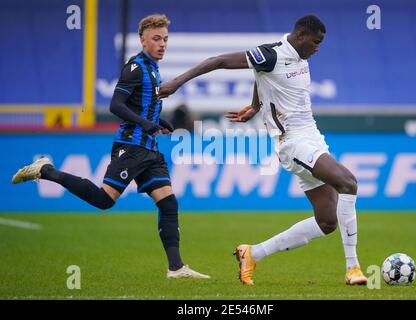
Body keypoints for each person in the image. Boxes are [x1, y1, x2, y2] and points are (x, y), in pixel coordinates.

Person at [158, 15, 367, 286]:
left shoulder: (295, 57)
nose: (317, 48)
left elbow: (262, 75)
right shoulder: (272, 54)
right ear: (302, 35)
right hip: (293, 142)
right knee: (348, 182)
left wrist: (255, 105)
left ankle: (252, 253)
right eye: (316, 42)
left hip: (313, 139)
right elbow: (218, 61)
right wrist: (177, 82)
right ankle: (353, 269)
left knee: (327, 222)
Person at [12, 14, 209, 280]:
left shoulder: (153, 68)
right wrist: (146, 124)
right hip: (132, 148)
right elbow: (115, 105)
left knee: (168, 203)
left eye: (165, 39)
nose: (162, 44)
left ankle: (176, 268)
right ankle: (46, 170)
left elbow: (141, 105)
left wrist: (157, 121)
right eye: (156, 39)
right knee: (104, 200)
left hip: (149, 149)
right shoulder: (136, 68)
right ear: (142, 40)